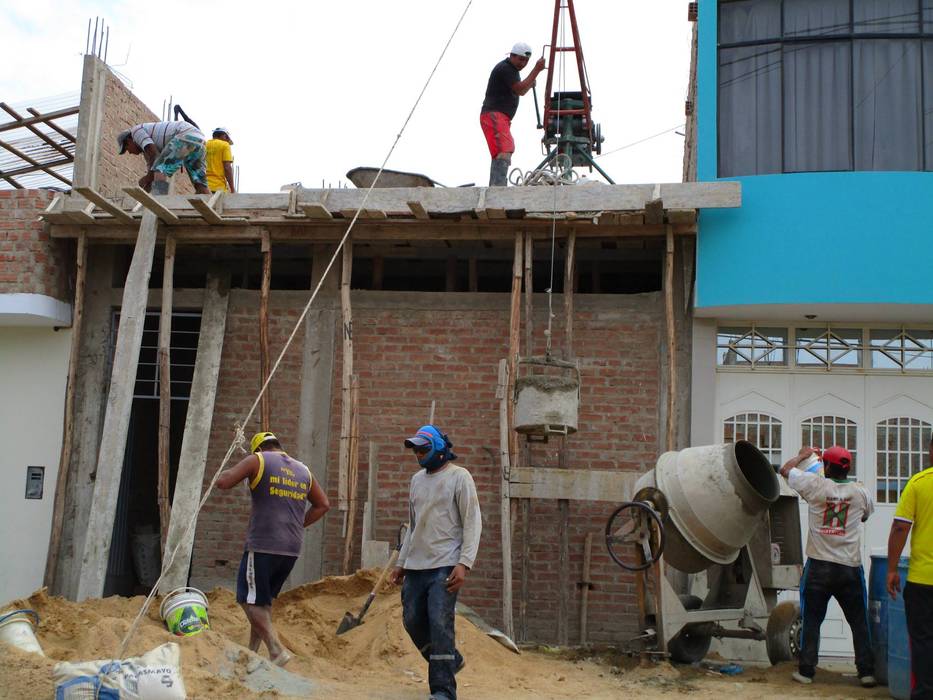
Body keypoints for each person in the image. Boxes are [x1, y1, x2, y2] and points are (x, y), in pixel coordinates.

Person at [216, 430, 329, 666]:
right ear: (278, 446)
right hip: (291, 548)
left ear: (259, 449)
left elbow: (223, 482)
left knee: (247, 599)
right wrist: (298, 524)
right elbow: (323, 505)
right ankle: (253, 652)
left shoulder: (257, 460)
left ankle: (276, 650)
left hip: (263, 544)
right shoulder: (303, 470)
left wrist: (227, 467)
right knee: (262, 601)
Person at [389, 425, 481, 700]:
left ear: (440, 448)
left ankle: (442, 690)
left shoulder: (459, 477)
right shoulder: (416, 480)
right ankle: (449, 660)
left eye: (424, 449)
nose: (418, 454)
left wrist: (464, 563)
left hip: (445, 564)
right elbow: (414, 526)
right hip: (416, 564)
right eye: (416, 450)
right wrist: (401, 563)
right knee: (412, 620)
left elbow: (472, 522)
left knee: (440, 623)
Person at [779, 445, 875, 688]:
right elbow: (865, 516)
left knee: (812, 619)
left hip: (819, 567)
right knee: (858, 621)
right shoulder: (861, 492)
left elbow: (785, 470)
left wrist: (803, 455)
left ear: (827, 466)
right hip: (849, 567)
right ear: (848, 468)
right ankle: (866, 672)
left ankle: (806, 671)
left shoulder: (814, 485)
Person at [886, 437, 933, 699]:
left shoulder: (919, 483)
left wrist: (892, 569)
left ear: (931, 451)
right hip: (922, 581)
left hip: (923, 581)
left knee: (923, 642)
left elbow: (901, 527)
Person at [480, 42, 546, 186]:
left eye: (526, 61)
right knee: (505, 148)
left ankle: (497, 186)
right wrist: (536, 69)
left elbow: (520, 89)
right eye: (521, 59)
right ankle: (497, 188)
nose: (523, 63)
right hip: (494, 115)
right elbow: (520, 90)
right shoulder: (506, 68)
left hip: (497, 117)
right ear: (512, 56)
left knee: (501, 151)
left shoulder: (512, 71)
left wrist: (529, 83)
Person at [116, 121, 211, 195]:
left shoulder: (136, 132)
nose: (129, 152)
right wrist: (145, 190)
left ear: (129, 140)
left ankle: (159, 201)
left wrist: (146, 178)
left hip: (185, 135)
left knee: (160, 169)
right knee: (200, 184)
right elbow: (152, 174)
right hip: (199, 141)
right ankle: (211, 207)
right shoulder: (147, 150)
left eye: (126, 149)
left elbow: (155, 158)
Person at [206, 127, 236, 193]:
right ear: (224, 136)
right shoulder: (225, 145)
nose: (227, 141)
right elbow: (227, 168)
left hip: (204, 187)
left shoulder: (204, 144)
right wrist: (232, 189)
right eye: (227, 139)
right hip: (217, 188)